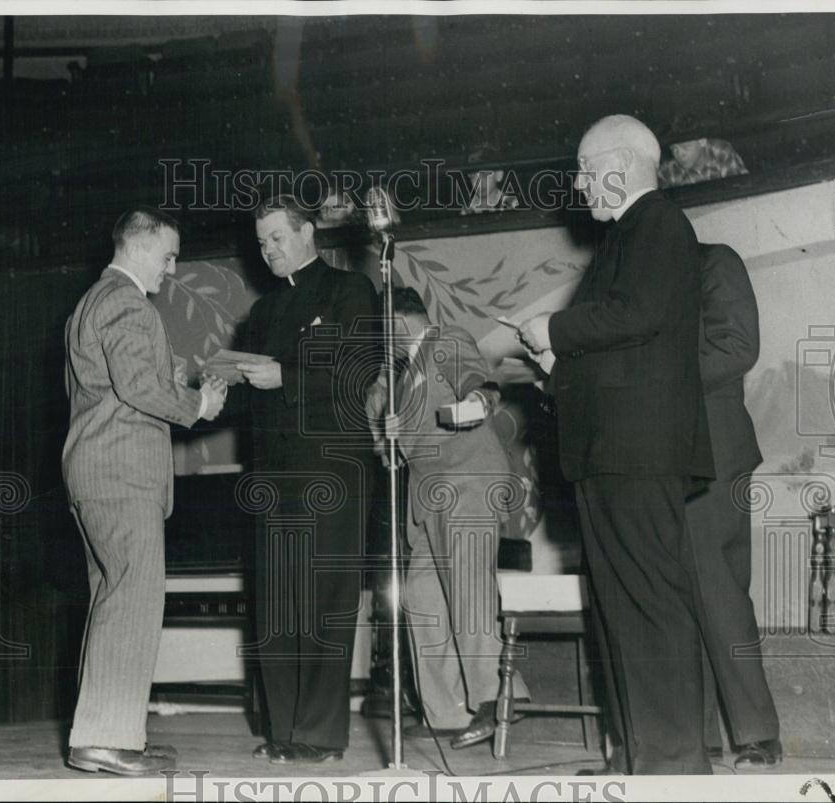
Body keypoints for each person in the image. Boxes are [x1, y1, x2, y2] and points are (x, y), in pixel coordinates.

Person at [518, 114, 715, 774]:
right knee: (620, 613)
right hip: (615, 452)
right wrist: (560, 369)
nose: (577, 184)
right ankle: (639, 756)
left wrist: (553, 327)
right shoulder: (631, 234)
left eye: (583, 168)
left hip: (636, 452)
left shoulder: (658, 222)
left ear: (622, 165)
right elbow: (627, 341)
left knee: (649, 607)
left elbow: (637, 314)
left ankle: (675, 765)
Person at [62, 206, 227, 776]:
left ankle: (108, 732)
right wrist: (198, 404)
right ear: (137, 246)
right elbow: (136, 387)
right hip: (121, 473)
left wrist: (176, 385)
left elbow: (119, 386)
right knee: (131, 600)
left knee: (114, 600)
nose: (172, 267)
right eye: (168, 254)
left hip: (99, 470)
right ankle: (105, 739)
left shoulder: (95, 301)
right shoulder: (126, 302)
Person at [239, 195, 379, 765]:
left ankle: (317, 735)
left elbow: (358, 371)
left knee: (324, 602)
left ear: (307, 233)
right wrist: (209, 389)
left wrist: (284, 377)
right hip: (273, 477)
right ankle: (281, 732)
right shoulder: (262, 313)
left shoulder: (351, 292)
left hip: (331, 471)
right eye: (262, 242)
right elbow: (253, 393)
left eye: (277, 237)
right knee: (276, 604)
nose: (268, 250)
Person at [365, 287, 530, 749]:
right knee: (421, 598)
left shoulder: (445, 341)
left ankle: (497, 699)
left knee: (469, 593)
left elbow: (479, 384)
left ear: (399, 323)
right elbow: (393, 452)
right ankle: (446, 713)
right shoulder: (401, 376)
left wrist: (477, 403)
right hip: (426, 500)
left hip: (466, 484)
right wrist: (387, 431)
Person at [686, 242, 782, 769]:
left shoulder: (712, 261)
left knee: (716, 586)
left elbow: (738, 346)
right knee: (680, 594)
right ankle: (695, 741)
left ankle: (757, 734)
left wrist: (653, 376)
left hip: (716, 450)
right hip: (659, 457)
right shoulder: (636, 278)